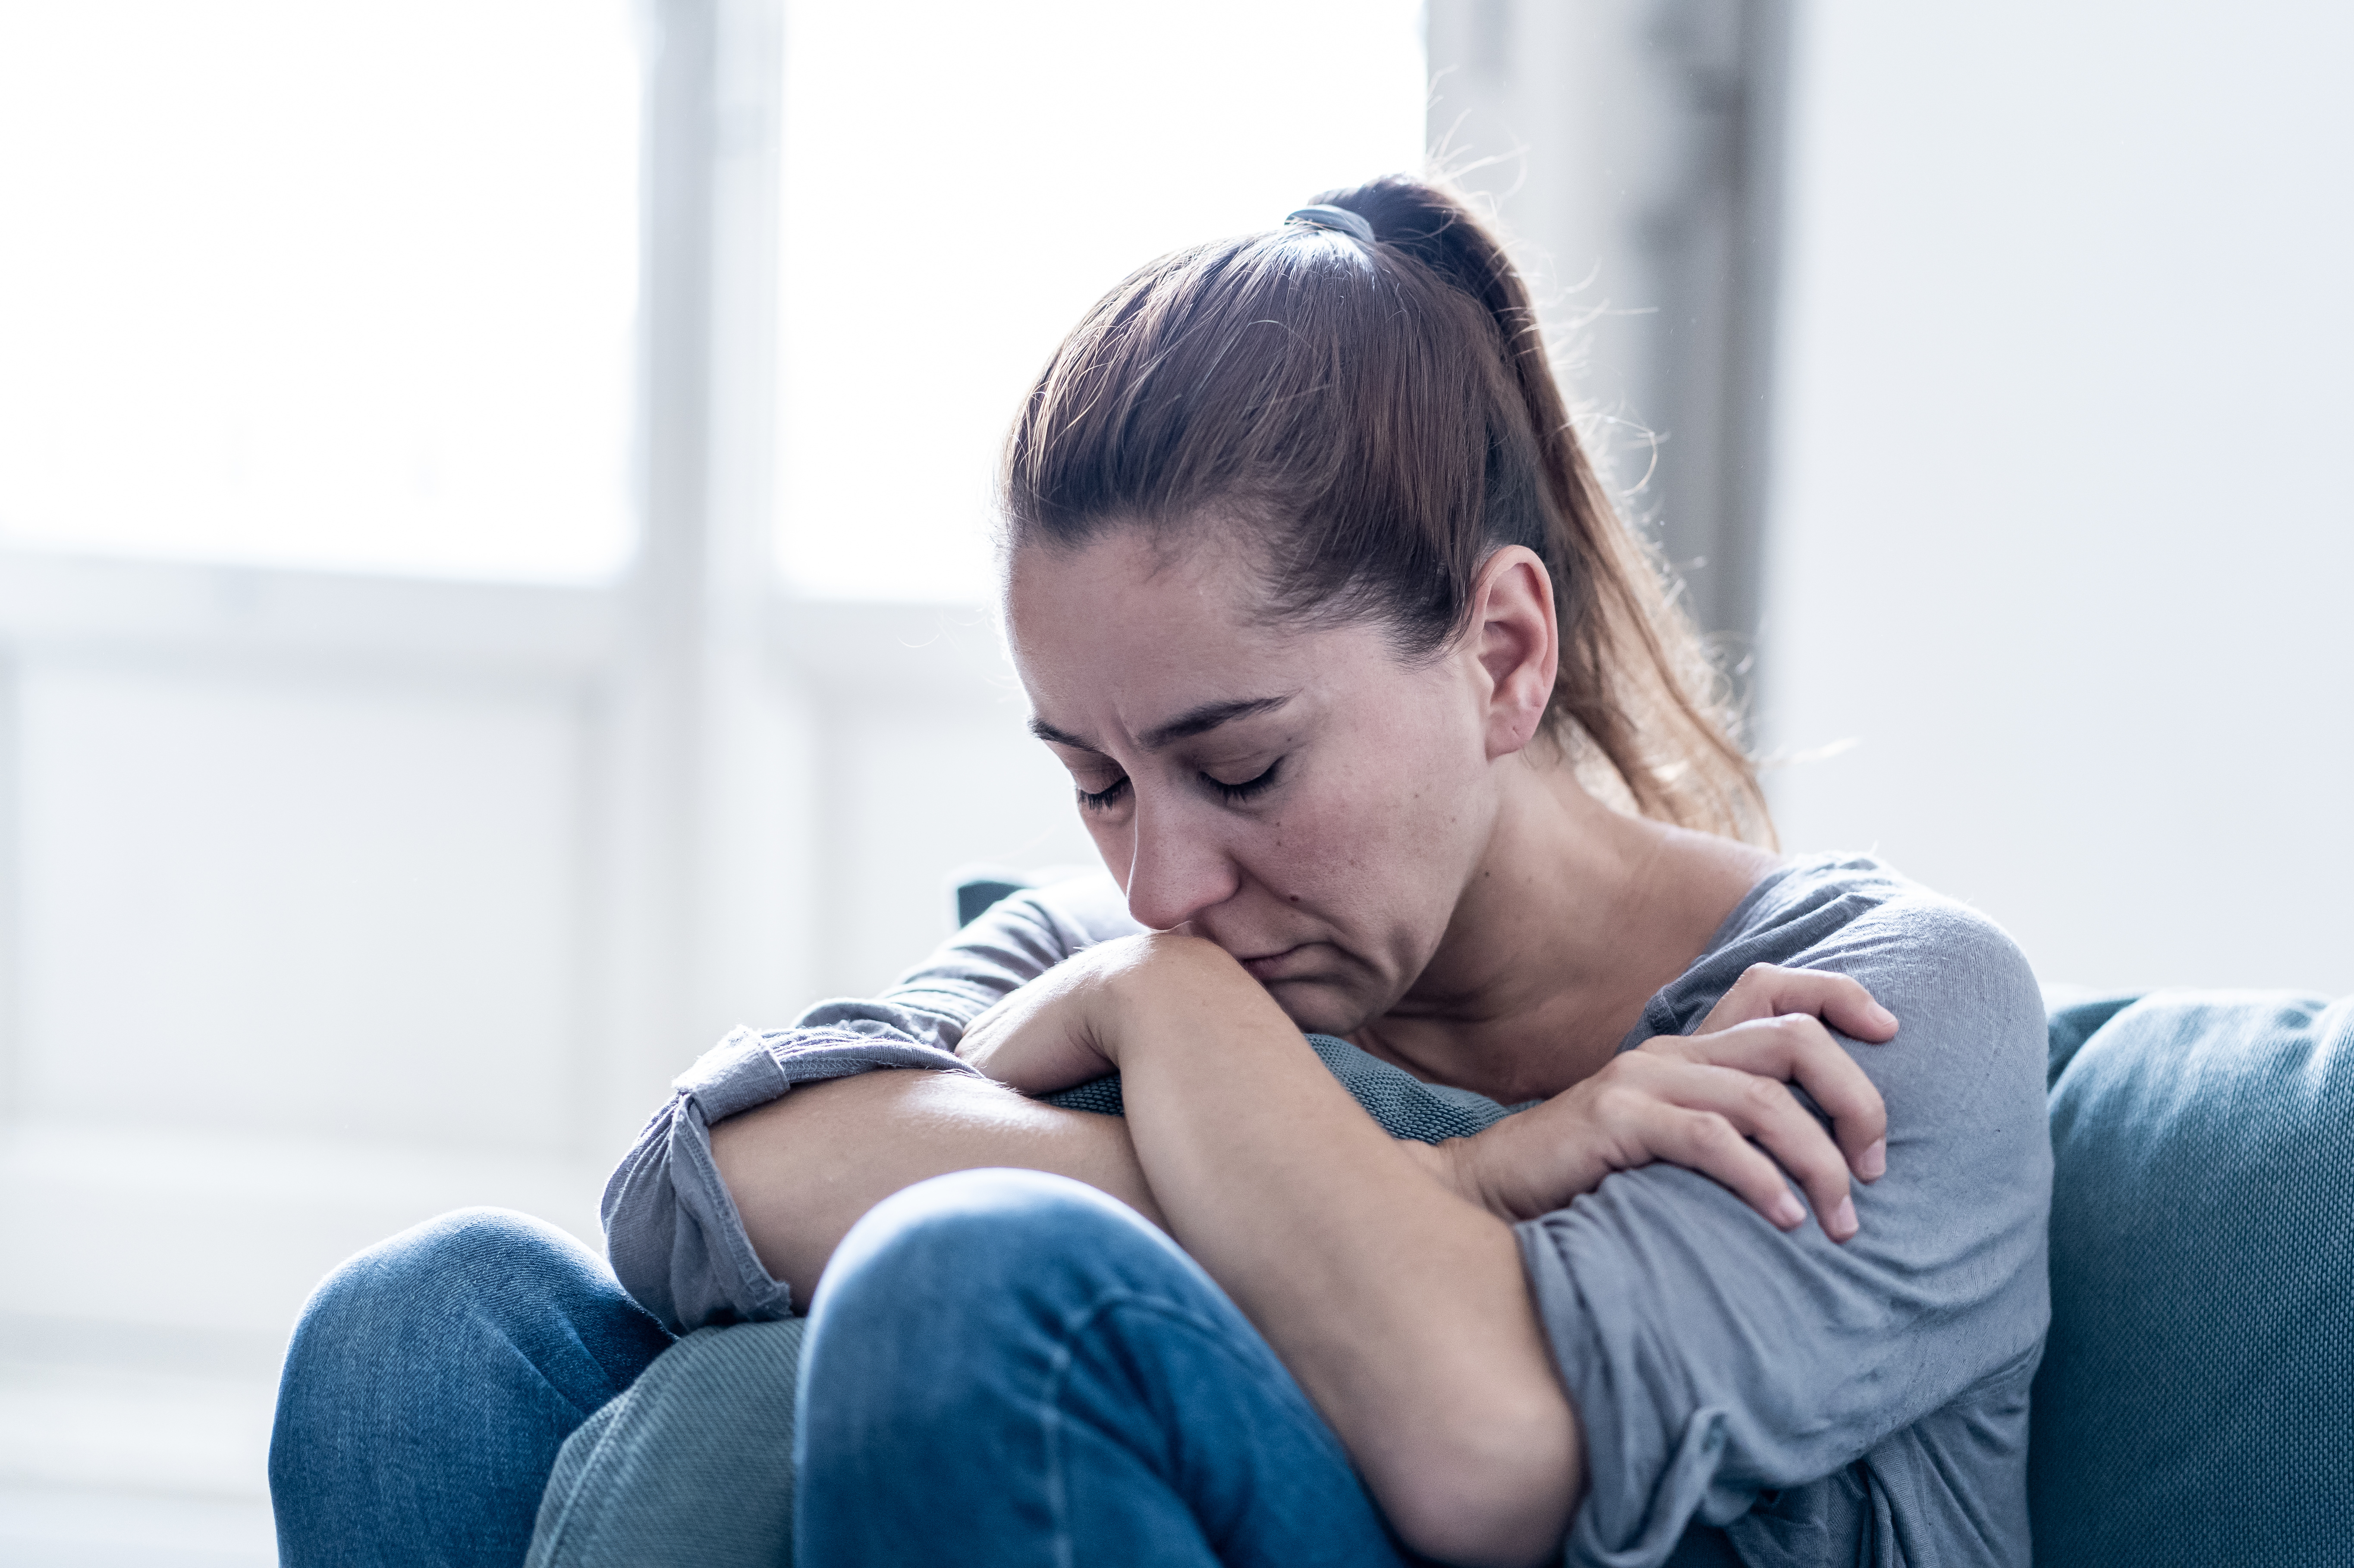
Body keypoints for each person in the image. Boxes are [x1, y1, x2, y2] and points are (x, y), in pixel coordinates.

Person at [270, 178, 2051, 1568]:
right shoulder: (1139, 958)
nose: (1160, 881)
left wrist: (1172, 1049)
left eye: (1240, 766)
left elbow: (1482, 1440)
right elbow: (698, 1187)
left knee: (971, 1282)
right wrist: (1418, 1149)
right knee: (424, 1329)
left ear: (1501, 653)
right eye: (1093, 781)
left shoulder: (1871, 1013)